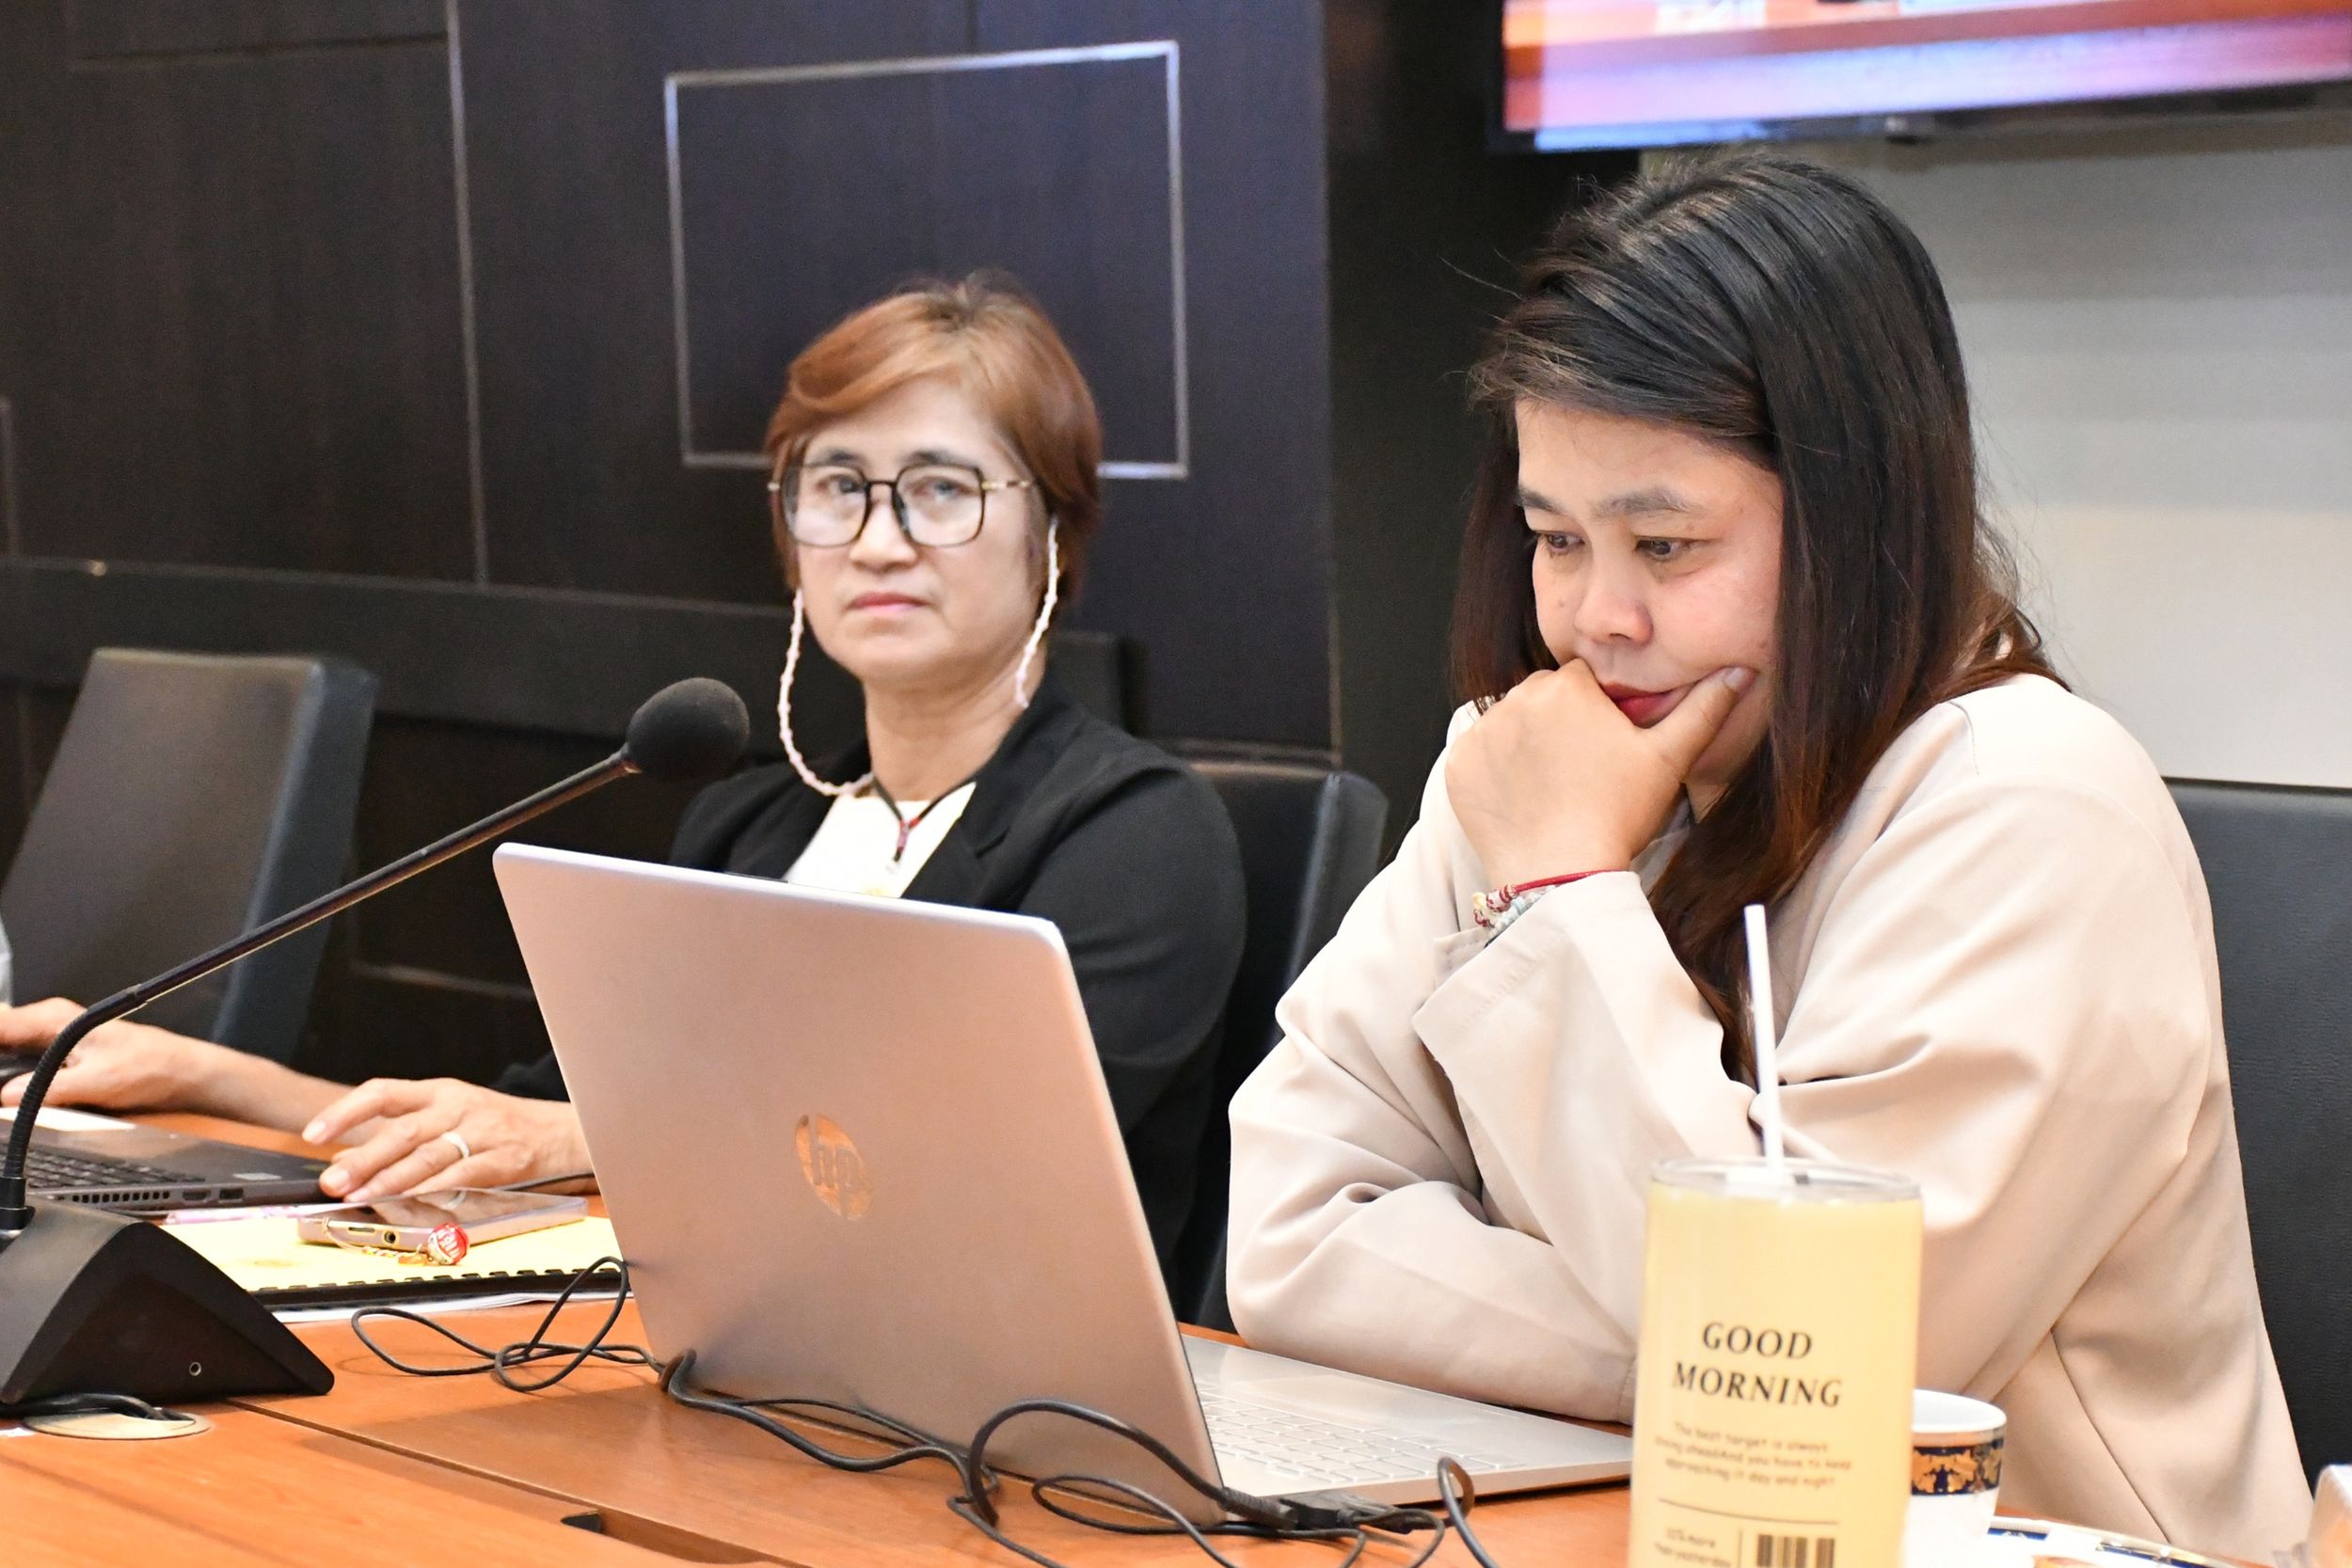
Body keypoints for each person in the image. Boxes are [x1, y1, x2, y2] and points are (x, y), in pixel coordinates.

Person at [1222, 150, 2308, 1559]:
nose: (1596, 619)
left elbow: (1811, 1362)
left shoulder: (2037, 807)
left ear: (1861, 520)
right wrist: (1673, 1341)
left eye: (1667, 545)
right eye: (1556, 538)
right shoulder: (1541, 760)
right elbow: (1292, 1232)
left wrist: (1561, 891)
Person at [0, 277, 1246, 1271]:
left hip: (1009, 1416)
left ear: (1054, 532)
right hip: (726, 1365)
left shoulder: (1135, 833)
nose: (879, 540)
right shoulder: (749, 826)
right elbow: (518, 1125)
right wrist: (202, 1073)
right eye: (837, 489)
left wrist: (574, 1136)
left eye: (940, 490)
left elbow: (968, 1157)